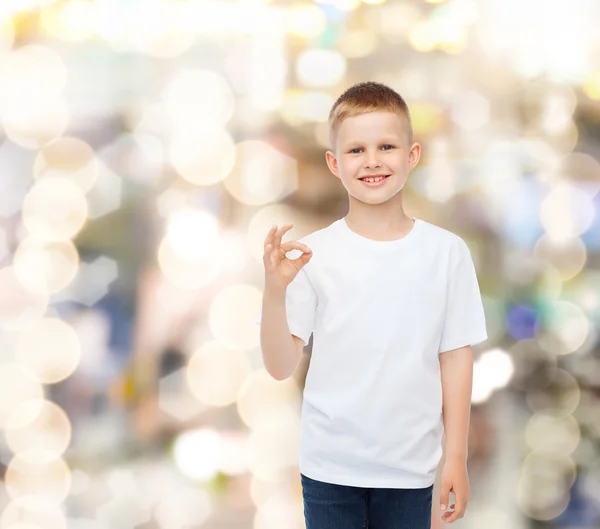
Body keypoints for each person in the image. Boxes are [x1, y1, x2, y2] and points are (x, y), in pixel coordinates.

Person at [256, 81, 487, 528]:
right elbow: (280, 365)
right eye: (356, 150)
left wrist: (455, 457)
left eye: (386, 146)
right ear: (334, 163)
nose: (373, 161)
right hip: (328, 470)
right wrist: (274, 291)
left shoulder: (446, 253)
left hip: (410, 468)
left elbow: (455, 356)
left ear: (412, 155)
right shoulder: (311, 256)